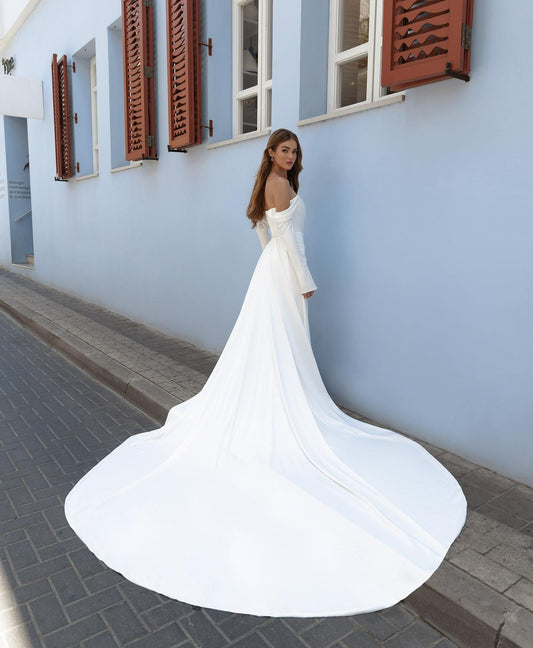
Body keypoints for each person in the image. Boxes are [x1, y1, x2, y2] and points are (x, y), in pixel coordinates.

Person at [65, 129, 466, 618]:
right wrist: (304, 282)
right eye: (284, 150)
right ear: (271, 154)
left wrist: (279, 267)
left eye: (295, 152)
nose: (290, 156)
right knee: (281, 343)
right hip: (284, 275)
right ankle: (276, 404)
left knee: (279, 346)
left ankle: (277, 395)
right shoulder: (279, 185)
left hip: (273, 272)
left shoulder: (274, 183)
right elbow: (286, 242)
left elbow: (262, 231)